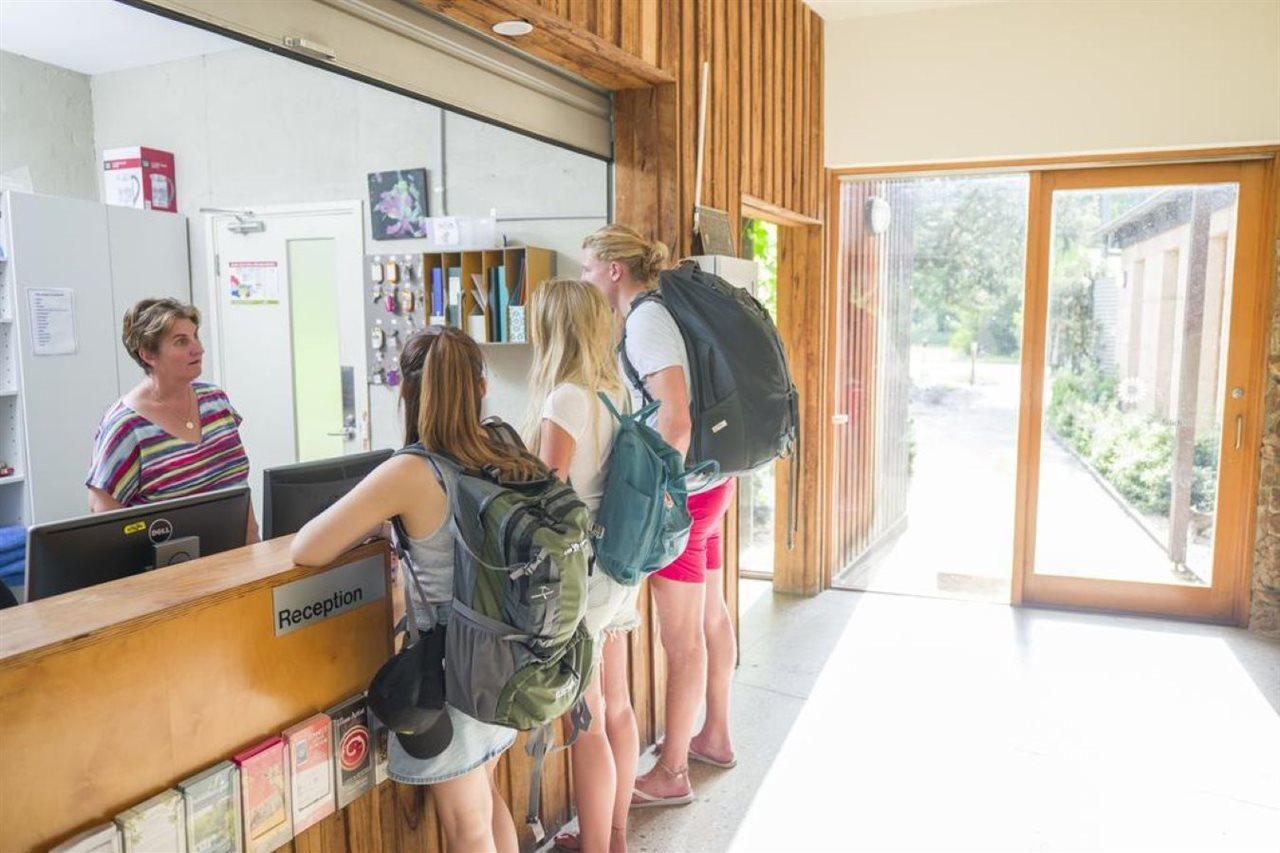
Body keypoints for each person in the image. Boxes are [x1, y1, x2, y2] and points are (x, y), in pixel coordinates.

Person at [291, 326, 529, 853]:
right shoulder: (505, 448)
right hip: (506, 655)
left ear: (408, 393)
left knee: (467, 825)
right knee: (489, 802)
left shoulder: (410, 470)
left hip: (448, 665)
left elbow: (306, 548)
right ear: (481, 388)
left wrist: (383, 517)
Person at [580, 225, 738, 808]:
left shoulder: (646, 321)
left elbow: (674, 421)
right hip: (711, 484)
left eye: (588, 268)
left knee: (681, 638)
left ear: (614, 270)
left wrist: (653, 504)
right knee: (709, 616)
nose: (584, 279)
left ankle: (672, 770)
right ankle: (714, 734)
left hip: (686, 496)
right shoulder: (661, 311)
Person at [522, 279, 639, 853]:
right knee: (616, 704)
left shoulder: (565, 398)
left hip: (582, 575)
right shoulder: (617, 392)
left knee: (585, 717)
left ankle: (594, 846)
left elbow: (547, 495)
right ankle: (615, 836)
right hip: (619, 566)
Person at [86, 298, 259, 542]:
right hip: (170, 572)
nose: (198, 349)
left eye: (195, 336)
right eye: (181, 342)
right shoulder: (125, 426)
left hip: (239, 561)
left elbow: (239, 487)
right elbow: (103, 518)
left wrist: (255, 547)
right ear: (148, 354)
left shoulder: (216, 401)